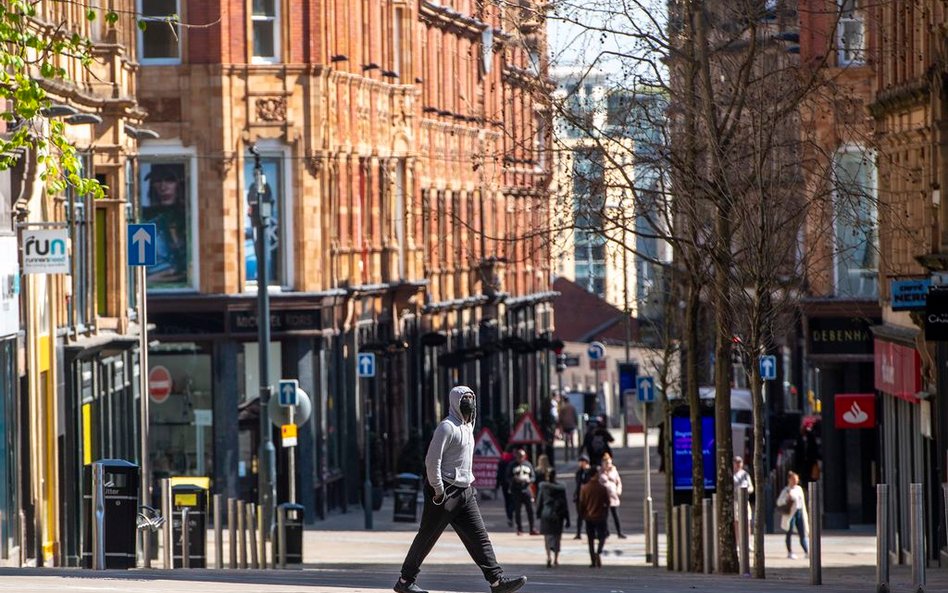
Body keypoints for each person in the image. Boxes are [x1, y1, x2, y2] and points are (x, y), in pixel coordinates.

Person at [394, 386, 527, 593]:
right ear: (455, 401)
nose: (469, 402)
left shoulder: (468, 426)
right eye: (465, 398)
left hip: (466, 491)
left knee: (479, 536)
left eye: (471, 397)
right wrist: (438, 489)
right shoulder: (446, 427)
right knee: (427, 536)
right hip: (445, 492)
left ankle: (497, 580)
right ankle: (405, 581)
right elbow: (432, 461)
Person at [142, 163, 188, 284]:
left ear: (180, 184)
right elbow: (141, 266)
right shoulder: (146, 220)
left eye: (170, 180)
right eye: (157, 181)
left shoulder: (190, 218)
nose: (163, 187)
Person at [536, 469, 570, 568]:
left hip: (546, 514)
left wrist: (538, 513)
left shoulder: (543, 487)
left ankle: (548, 557)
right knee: (557, 537)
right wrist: (567, 518)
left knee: (547, 537)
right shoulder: (561, 489)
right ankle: (556, 558)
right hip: (558, 514)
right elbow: (565, 504)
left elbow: (539, 501)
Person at [579, 465, 610, 568]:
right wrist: (605, 513)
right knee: (603, 535)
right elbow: (607, 503)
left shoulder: (584, 488)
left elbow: (582, 504)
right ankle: (599, 551)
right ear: (595, 475)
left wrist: (582, 515)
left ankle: (593, 560)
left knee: (590, 539)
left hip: (589, 517)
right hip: (600, 516)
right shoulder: (602, 488)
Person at [776, 470, 809, 560]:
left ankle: (807, 551)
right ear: (789, 480)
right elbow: (779, 502)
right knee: (789, 532)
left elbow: (802, 503)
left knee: (803, 533)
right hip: (790, 514)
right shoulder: (786, 490)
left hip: (799, 512)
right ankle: (790, 552)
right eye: (793, 479)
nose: (795, 481)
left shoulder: (799, 489)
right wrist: (786, 499)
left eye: (796, 479)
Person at [508, 449, 539, 535]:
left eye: (522, 456)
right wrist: (514, 480)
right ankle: (519, 529)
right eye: (519, 456)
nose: (520, 458)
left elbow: (533, 477)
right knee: (517, 510)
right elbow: (507, 477)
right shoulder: (512, 465)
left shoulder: (528, 464)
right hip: (516, 491)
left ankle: (532, 528)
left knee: (530, 510)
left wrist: (529, 480)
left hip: (526, 490)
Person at [599, 452, 626, 538]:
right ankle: (605, 532)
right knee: (604, 516)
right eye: (606, 463)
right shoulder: (600, 472)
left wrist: (618, 491)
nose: (608, 465)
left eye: (609, 463)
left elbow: (618, 482)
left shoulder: (614, 471)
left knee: (615, 515)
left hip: (613, 496)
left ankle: (619, 532)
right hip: (604, 497)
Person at [733, 456, 754, 547]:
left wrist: (745, 490)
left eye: (739, 462)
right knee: (737, 523)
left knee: (747, 522)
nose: (738, 464)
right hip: (736, 502)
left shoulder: (745, 474)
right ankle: (737, 543)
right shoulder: (731, 474)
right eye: (736, 462)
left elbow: (751, 487)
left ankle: (748, 543)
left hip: (745, 501)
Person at [573, 454, 592, 539]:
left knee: (590, 515)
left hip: (588, 496)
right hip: (579, 496)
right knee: (580, 516)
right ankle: (578, 533)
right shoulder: (578, 472)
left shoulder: (590, 472)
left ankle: (591, 532)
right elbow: (578, 484)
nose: (580, 463)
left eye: (582, 462)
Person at [496, 449, 516, 527]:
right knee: (512, 501)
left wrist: (497, 484)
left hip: (504, 484)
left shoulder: (502, 461)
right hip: (512, 484)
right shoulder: (514, 462)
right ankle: (511, 515)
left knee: (507, 501)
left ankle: (509, 517)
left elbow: (499, 474)